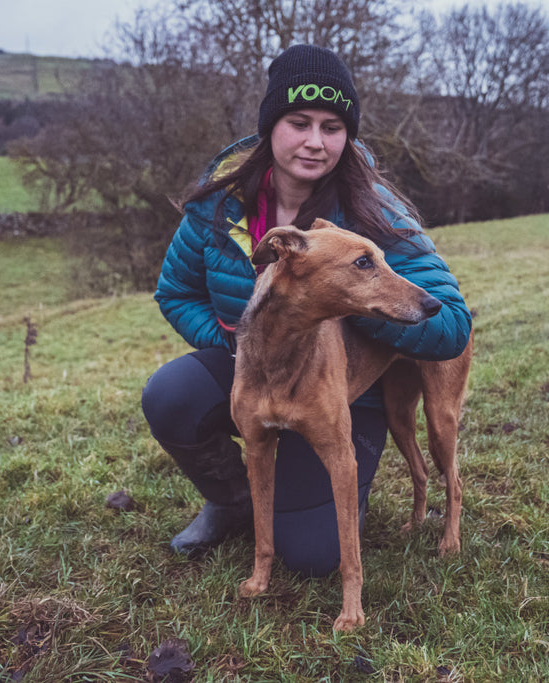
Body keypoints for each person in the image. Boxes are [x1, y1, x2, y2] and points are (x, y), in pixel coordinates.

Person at [141, 44, 471, 577]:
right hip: (258, 368)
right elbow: (175, 294)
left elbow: (452, 324)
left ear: (348, 136)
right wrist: (246, 343)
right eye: (299, 122)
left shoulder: (375, 214)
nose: (316, 142)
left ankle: (320, 499)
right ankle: (233, 500)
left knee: (314, 556)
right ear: (271, 125)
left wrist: (345, 296)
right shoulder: (218, 206)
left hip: (343, 394)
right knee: (170, 395)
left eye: (333, 127)